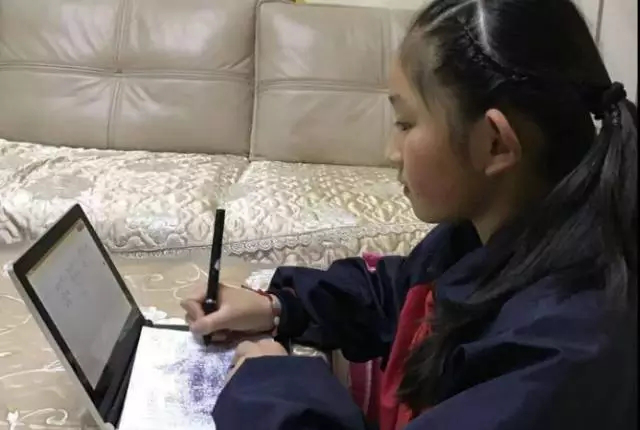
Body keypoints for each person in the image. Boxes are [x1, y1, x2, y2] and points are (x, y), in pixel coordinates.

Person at [181, 0, 637, 428]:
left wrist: (273, 383)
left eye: (405, 123)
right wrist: (280, 306)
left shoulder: (564, 353)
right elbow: (402, 294)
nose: (391, 151)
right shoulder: (488, 233)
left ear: (495, 143)